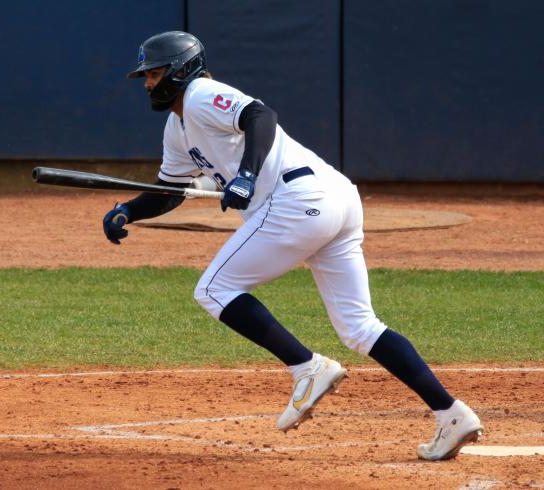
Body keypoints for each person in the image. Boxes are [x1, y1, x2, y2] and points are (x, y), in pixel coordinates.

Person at [102, 31, 483, 460]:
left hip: (298, 201)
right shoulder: (177, 127)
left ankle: (308, 367)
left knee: (213, 289)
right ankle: (451, 414)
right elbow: (170, 192)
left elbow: (260, 115)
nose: (148, 84)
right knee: (360, 327)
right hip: (332, 199)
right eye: (146, 77)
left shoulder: (201, 93)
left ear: (180, 69)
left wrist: (246, 175)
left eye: (154, 74)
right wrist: (130, 211)